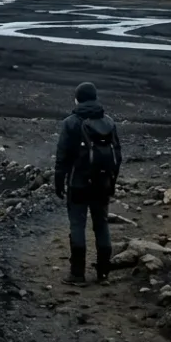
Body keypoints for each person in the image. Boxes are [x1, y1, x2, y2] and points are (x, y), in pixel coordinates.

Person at [54, 82, 122, 285]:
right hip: (102, 183)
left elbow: (62, 156)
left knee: (77, 225)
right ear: (95, 98)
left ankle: (77, 275)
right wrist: (112, 181)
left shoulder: (71, 122)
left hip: (78, 183)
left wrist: (59, 182)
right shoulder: (108, 122)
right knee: (101, 225)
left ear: (77, 99)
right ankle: (103, 274)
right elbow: (117, 155)